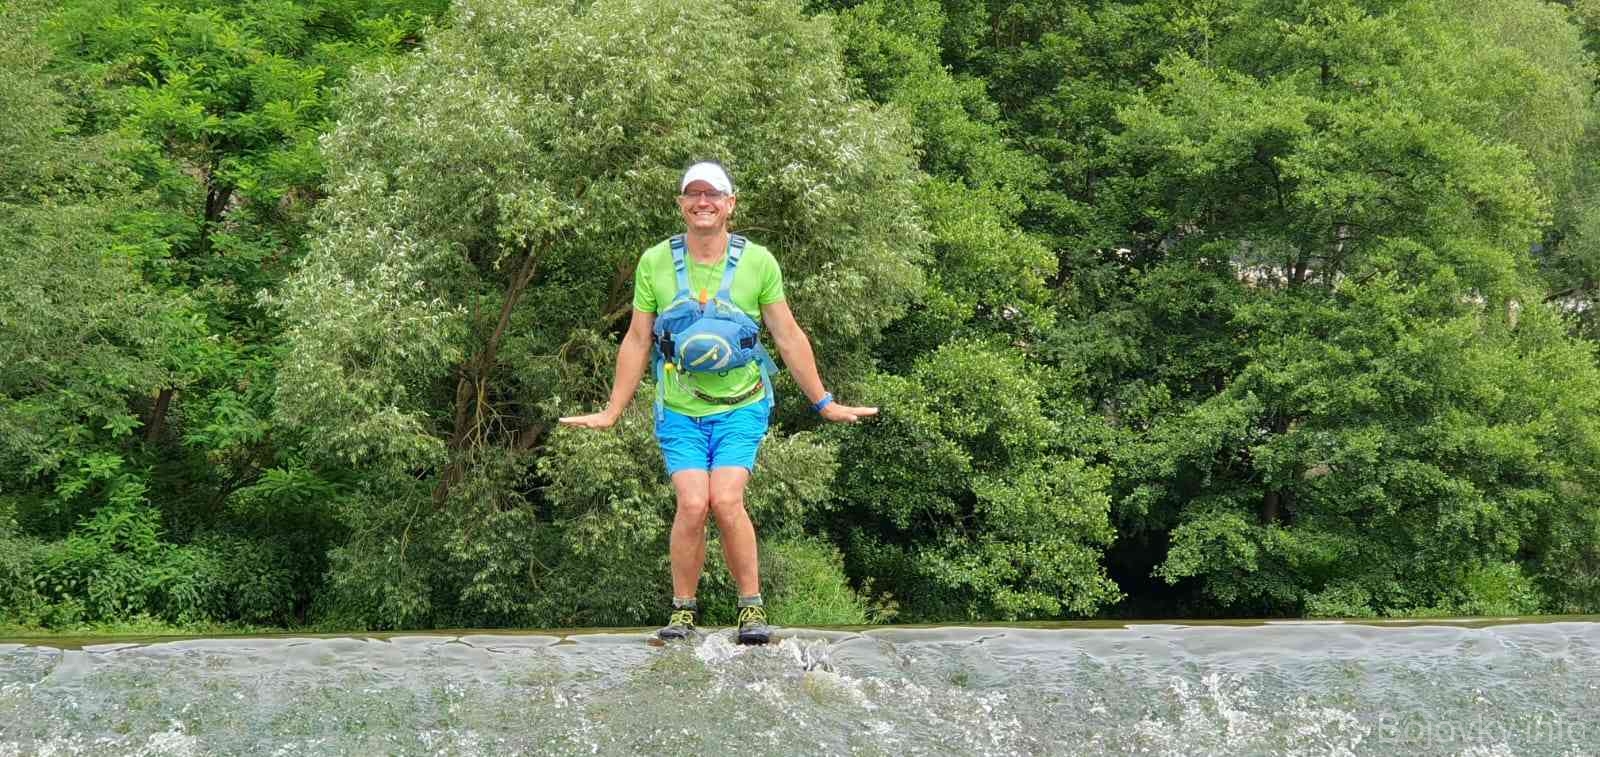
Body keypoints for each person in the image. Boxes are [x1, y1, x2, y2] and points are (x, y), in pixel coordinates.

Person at [559, 161, 876, 644]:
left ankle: (751, 608)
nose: (702, 201)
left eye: (713, 194)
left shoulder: (758, 262)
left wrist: (824, 403)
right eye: (693, 193)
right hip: (680, 408)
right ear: (681, 204)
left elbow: (787, 335)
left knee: (726, 500)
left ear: (730, 204)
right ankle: (683, 611)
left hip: (742, 405)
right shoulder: (655, 262)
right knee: (692, 504)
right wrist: (612, 410)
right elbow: (638, 339)